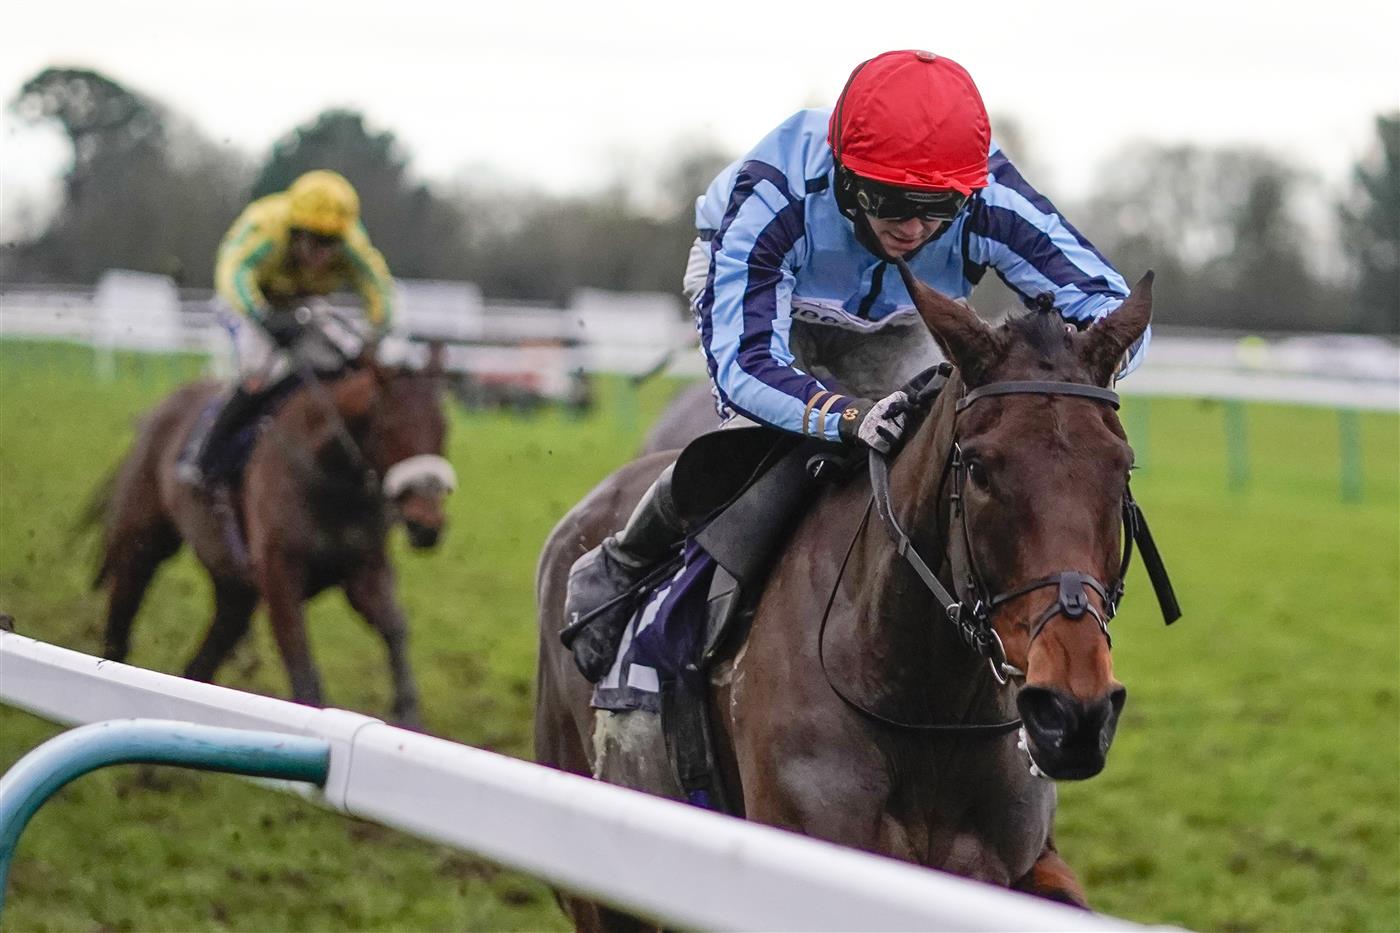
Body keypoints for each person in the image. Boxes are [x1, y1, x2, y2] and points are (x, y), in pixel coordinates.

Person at [563, 49, 1149, 682]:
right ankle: (626, 561)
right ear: (844, 174)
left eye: (936, 209)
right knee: (759, 450)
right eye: (889, 201)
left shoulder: (986, 194)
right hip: (778, 312)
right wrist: (842, 416)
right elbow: (747, 366)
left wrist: (1080, 373)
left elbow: (1107, 303)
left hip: (904, 317)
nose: (915, 228)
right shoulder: (773, 194)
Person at [179, 169, 395, 487]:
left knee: (343, 363)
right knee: (258, 371)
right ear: (295, 232)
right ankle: (204, 456)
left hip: (300, 303)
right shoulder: (267, 228)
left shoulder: (352, 242)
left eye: (332, 242)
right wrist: (263, 316)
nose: (323, 253)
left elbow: (377, 286)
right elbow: (234, 272)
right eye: (315, 241)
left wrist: (375, 334)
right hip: (245, 301)